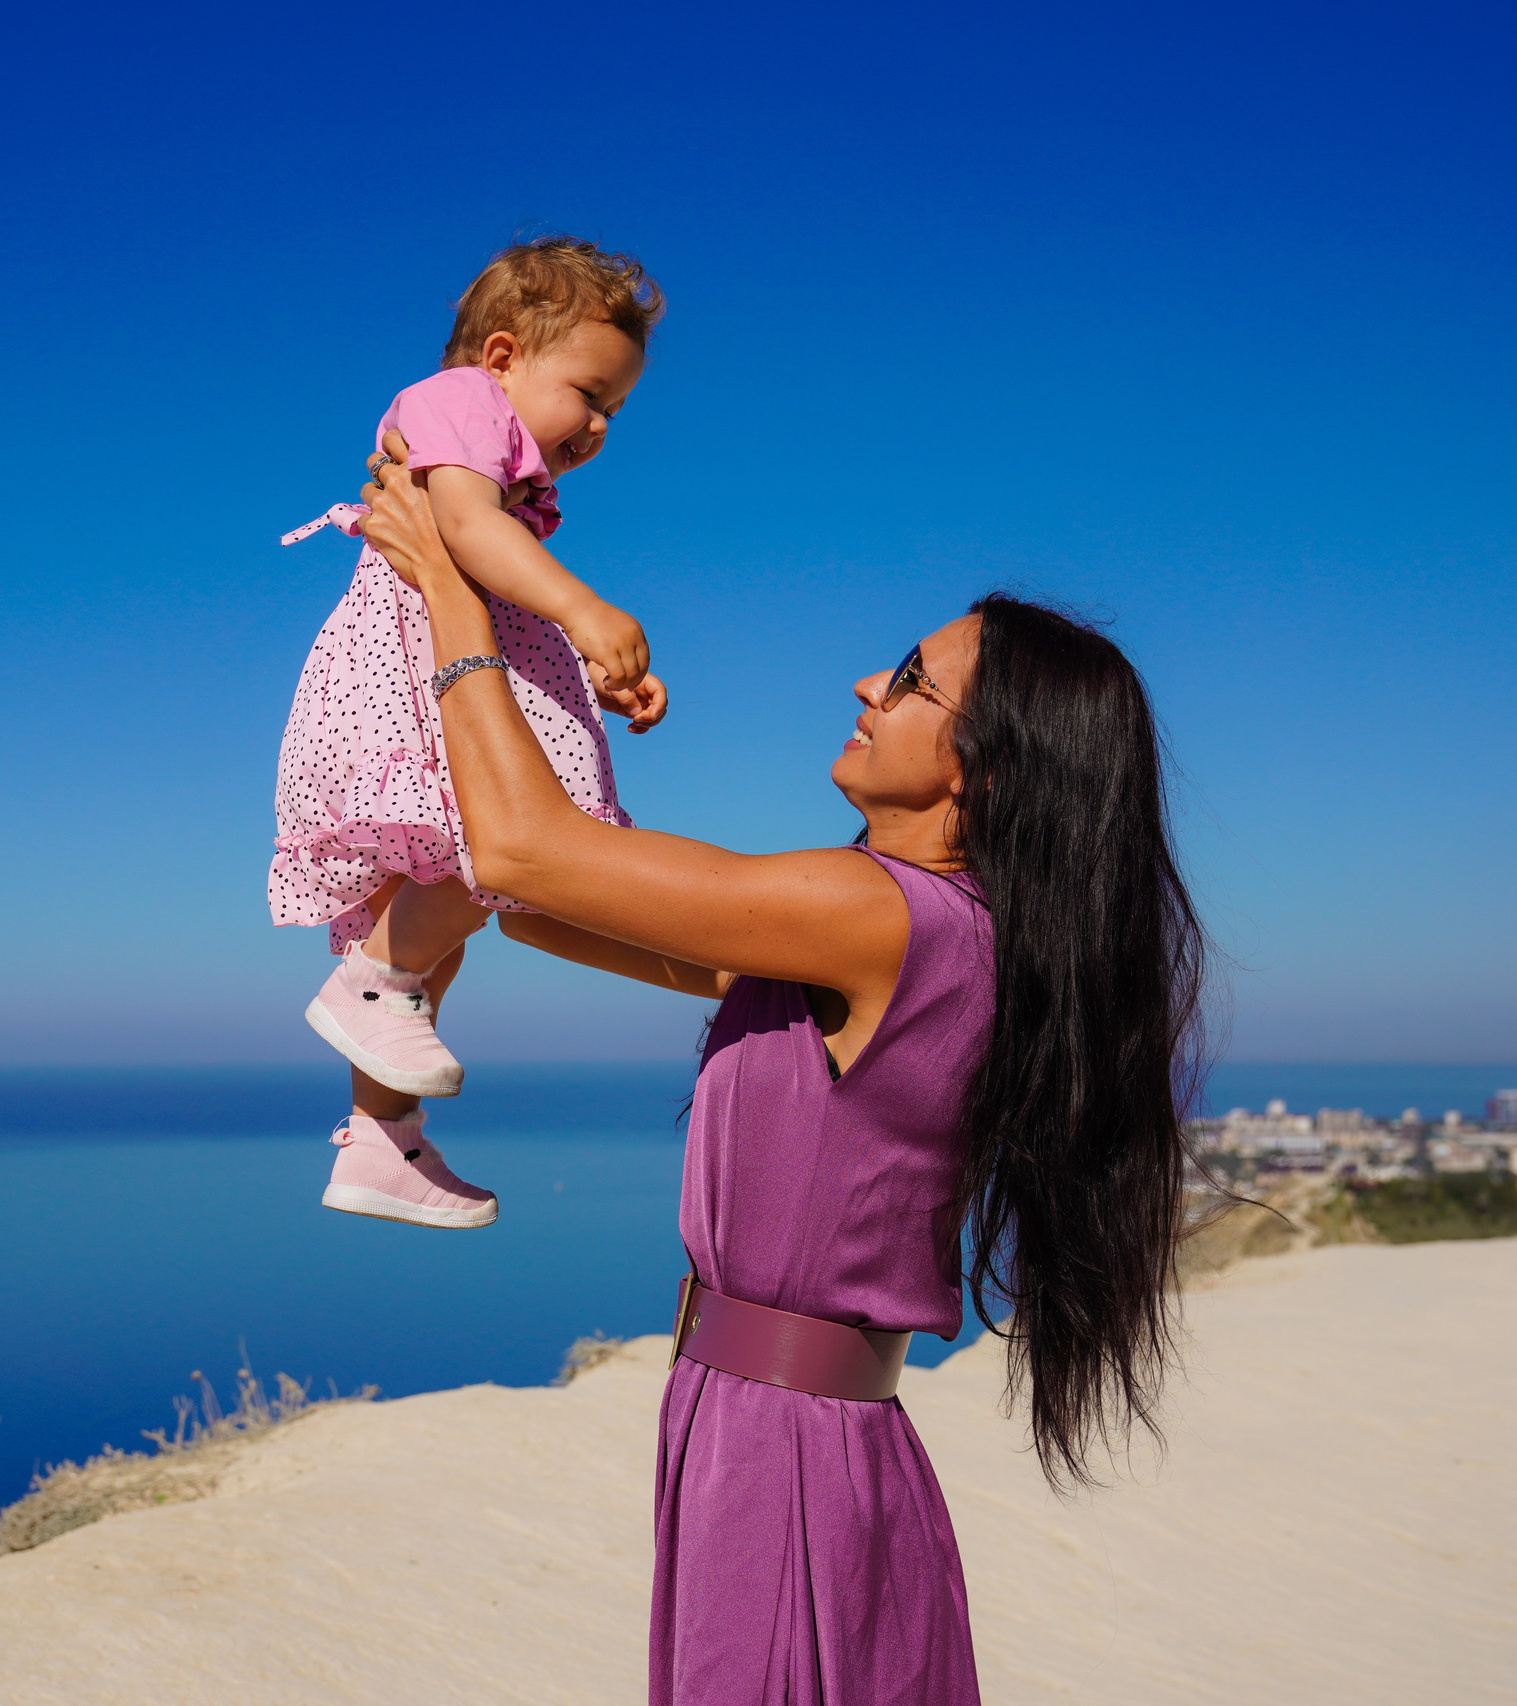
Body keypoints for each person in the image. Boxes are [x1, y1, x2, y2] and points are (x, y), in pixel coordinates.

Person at [356, 433, 1208, 1705]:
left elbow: (528, 857)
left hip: (780, 1445)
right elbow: (540, 899)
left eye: (915, 680)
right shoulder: (935, 934)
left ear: (986, 768)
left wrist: (455, 591)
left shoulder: (881, 913)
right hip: (771, 1424)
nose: (868, 680)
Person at [271, 237, 669, 1230]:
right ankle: (370, 983)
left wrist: (585, 677)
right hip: (419, 678)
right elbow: (467, 532)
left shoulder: (498, 444)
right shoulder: (456, 405)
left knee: (447, 906)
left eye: (614, 409)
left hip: (464, 659)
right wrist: (584, 611)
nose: (598, 426)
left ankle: (381, 1139)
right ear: (499, 356)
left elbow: (496, 584)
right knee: (473, 859)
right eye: (589, 393)